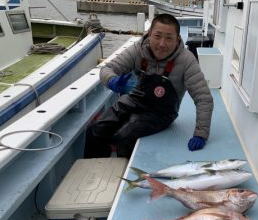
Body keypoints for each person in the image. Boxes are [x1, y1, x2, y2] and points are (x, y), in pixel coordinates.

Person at [84, 13, 214, 159]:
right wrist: (113, 81)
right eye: (157, 36)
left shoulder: (186, 60)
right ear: (149, 34)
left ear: (177, 39)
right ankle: (98, 171)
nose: (162, 44)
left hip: (162, 112)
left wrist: (201, 134)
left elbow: (204, 98)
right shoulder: (138, 49)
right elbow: (107, 69)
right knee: (95, 130)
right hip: (134, 100)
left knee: (124, 137)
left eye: (169, 38)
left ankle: (125, 176)